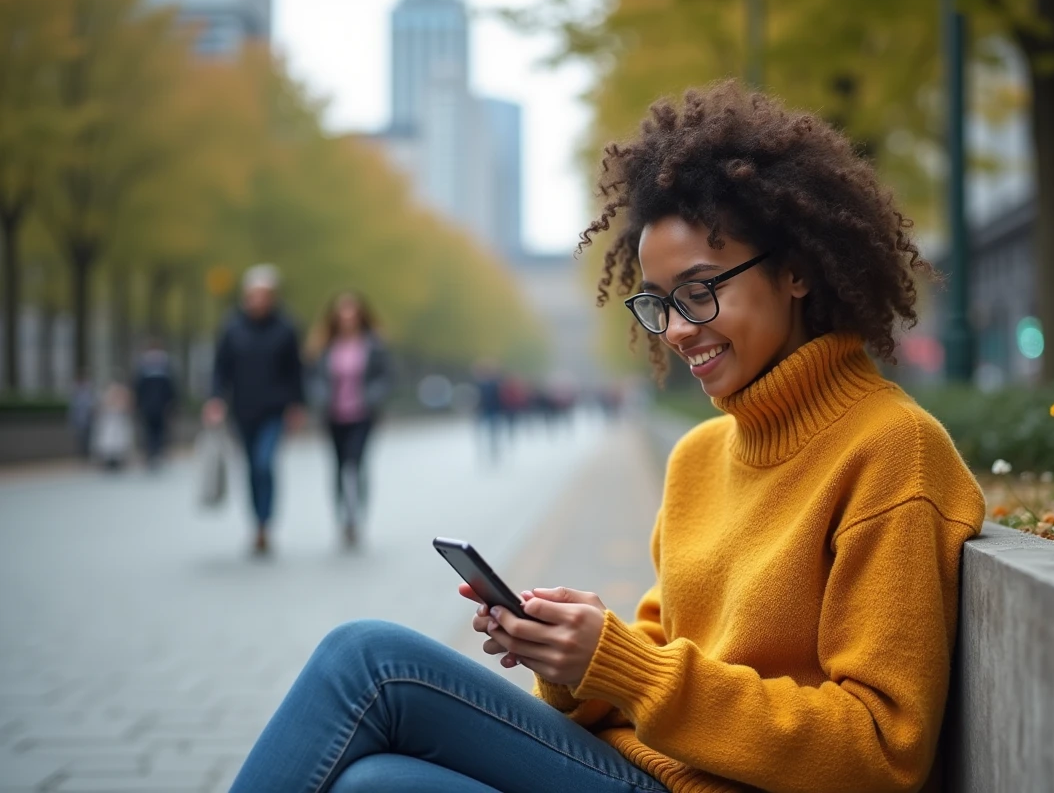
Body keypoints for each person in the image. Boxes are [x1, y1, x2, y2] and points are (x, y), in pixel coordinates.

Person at [230, 81, 985, 793]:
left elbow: (881, 751)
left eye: (699, 290)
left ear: (796, 271)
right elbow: (649, 662)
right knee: (369, 784)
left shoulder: (892, 450)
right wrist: (575, 656)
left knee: (368, 662)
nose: (678, 329)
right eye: (658, 303)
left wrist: (627, 668)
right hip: (648, 767)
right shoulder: (699, 457)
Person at [205, 264, 306, 556]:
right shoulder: (232, 327)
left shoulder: (286, 328)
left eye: (264, 295)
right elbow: (220, 367)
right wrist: (215, 399)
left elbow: (296, 371)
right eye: (253, 295)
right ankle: (257, 524)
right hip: (242, 408)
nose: (258, 301)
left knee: (264, 463)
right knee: (251, 467)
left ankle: (266, 521)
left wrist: (297, 405)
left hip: (274, 409)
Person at [307, 292, 392, 548]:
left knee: (356, 463)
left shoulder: (373, 345)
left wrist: (372, 397)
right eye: (342, 314)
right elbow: (312, 376)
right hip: (333, 414)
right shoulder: (324, 346)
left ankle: (356, 517)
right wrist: (320, 395)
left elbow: (386, 377)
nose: (347, 319)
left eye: (352, 314)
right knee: (338, 466)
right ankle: (342, 518)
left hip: (362, 415)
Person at [133, 338, 177, 469]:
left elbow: (138, 388)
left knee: (150, 431)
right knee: (159, 430)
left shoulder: (143, 367)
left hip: (148, 405)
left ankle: (152, 453)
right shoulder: (165, 367)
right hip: (161, 405)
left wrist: (138, 403)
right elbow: (171, 388)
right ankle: (157, 452)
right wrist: (171, 403)